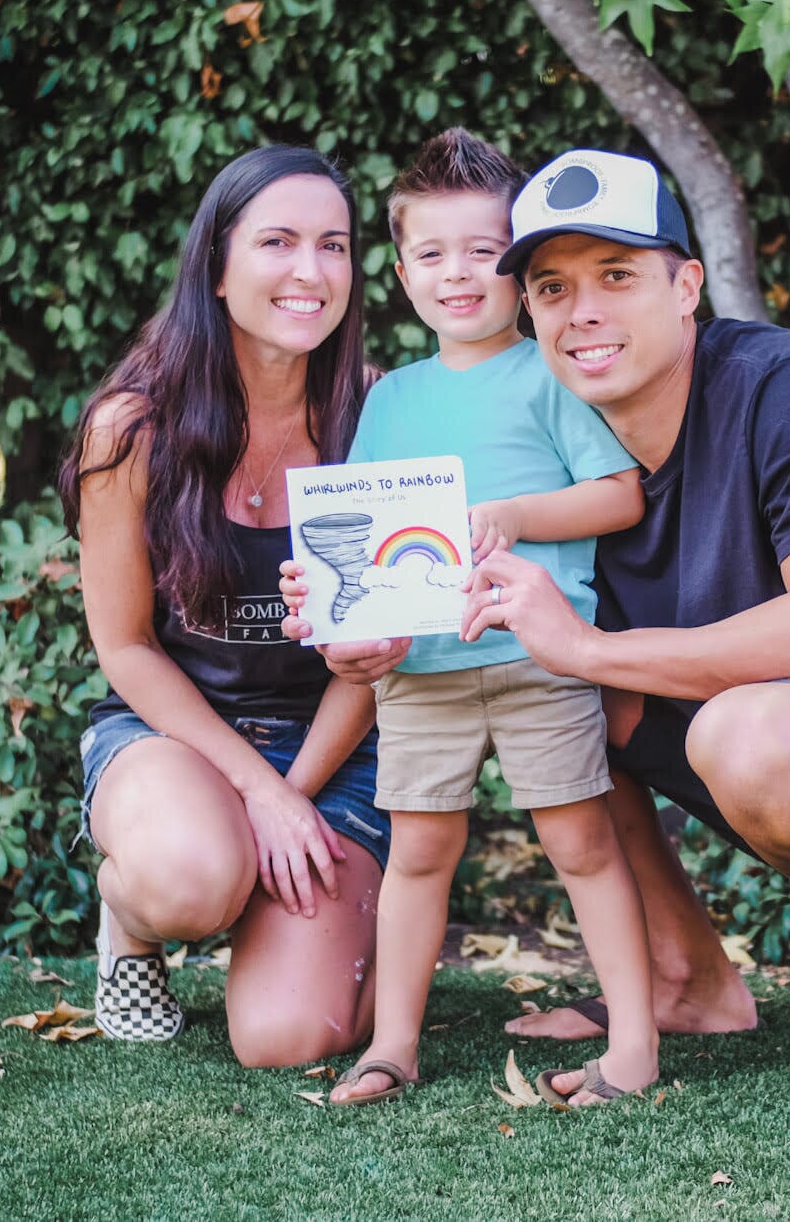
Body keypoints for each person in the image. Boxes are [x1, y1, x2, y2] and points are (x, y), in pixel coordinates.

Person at [309, 148, 790, 1112]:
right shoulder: (578, 463)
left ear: (687, 287)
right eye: (552, 287)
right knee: (580, 704)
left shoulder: (789, 390)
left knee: (730, 730)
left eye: (617, 276)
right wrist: (369, 630)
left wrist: (583, 649)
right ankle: (689, 980)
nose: (582, 310)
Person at [286, 130, 657, 1108]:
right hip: (420, 670)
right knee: (417, 854)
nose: (457, 275)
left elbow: (619, 494)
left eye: (481, 252)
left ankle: (633, 1048)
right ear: (400, 267)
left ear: (517, 263)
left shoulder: (548, 371)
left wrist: (514, 518)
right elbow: (360, 541)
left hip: (538, 655)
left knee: (580, 843)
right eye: (429, 253)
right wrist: (336, 612)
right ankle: (392, 1048)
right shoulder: (388, 400)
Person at [57, 146, 389, 1063]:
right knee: (189, 878)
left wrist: (293, 794)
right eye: (277, 242)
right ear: (217, 262)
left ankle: (320, 924)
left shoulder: (374, 414)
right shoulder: (131, 428)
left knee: (288, 1038)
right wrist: (255, 791)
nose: (310, 272)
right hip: (173, 734)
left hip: (332, 742)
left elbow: (377, 651)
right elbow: (124, 647)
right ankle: (129, 923)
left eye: (334, 245)